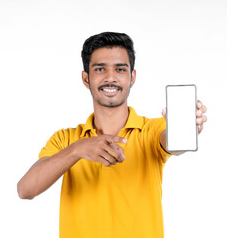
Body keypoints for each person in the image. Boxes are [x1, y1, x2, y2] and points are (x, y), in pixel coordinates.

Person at [17, 32, 207, 238]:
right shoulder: (65, 139)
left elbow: (172, 142)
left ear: (132, 77)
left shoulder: (151, 130)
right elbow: (25, 190)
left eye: (120, 69)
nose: (110, 78)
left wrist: (186, 127)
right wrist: (78, 149)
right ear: (85, 78)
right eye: (100, 69)